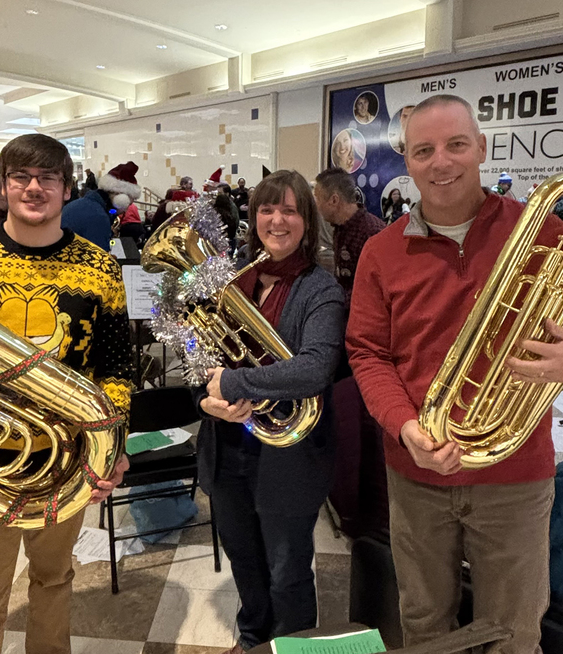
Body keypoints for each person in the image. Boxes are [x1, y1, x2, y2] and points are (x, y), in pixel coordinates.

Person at [346, 94, 563, 653]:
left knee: (514, 627)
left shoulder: (544, 230)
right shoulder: (380, 253)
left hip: (516, 474)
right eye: (424, 150)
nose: (442, 162)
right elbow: (367, 353)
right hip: (416, 473)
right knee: (424, 620)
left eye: (457, 144)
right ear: (407, 160)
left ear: (481, 148)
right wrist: (405, 426)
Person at [0, 133, 133, 654]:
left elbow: (115, 367)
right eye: (21, 177)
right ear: (1, 188)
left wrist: (114, 447)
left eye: (48, 178)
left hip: (64, 457)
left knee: (55, 580)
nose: (34, 188)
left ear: (67, 189)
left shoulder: (100, 268)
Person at [197, 169, 344, 654]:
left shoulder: (320, 289)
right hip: (227, 449)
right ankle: (254, 637)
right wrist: (208, 401)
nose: (277, 220)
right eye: (266, 208)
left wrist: (235, 382)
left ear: (307, 219)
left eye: (289, 210)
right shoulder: (231, 281)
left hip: (288, 457)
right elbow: (198, 362)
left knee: (286, 567)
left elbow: (315, 368)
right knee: (243, 556)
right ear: (252, 216)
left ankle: (293, 646)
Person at [313, 167, 384, 311]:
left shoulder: (372, 233)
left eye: (318, 198)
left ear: (334, 200)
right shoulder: (340, 229)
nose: (316, 205)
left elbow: (374, 290)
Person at [61, 161, 140, 251]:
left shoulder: (88, 204)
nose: (125, 210)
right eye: (128, 204)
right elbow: (100, 258)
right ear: (120, 198)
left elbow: (111, 212)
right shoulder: (98, 216)